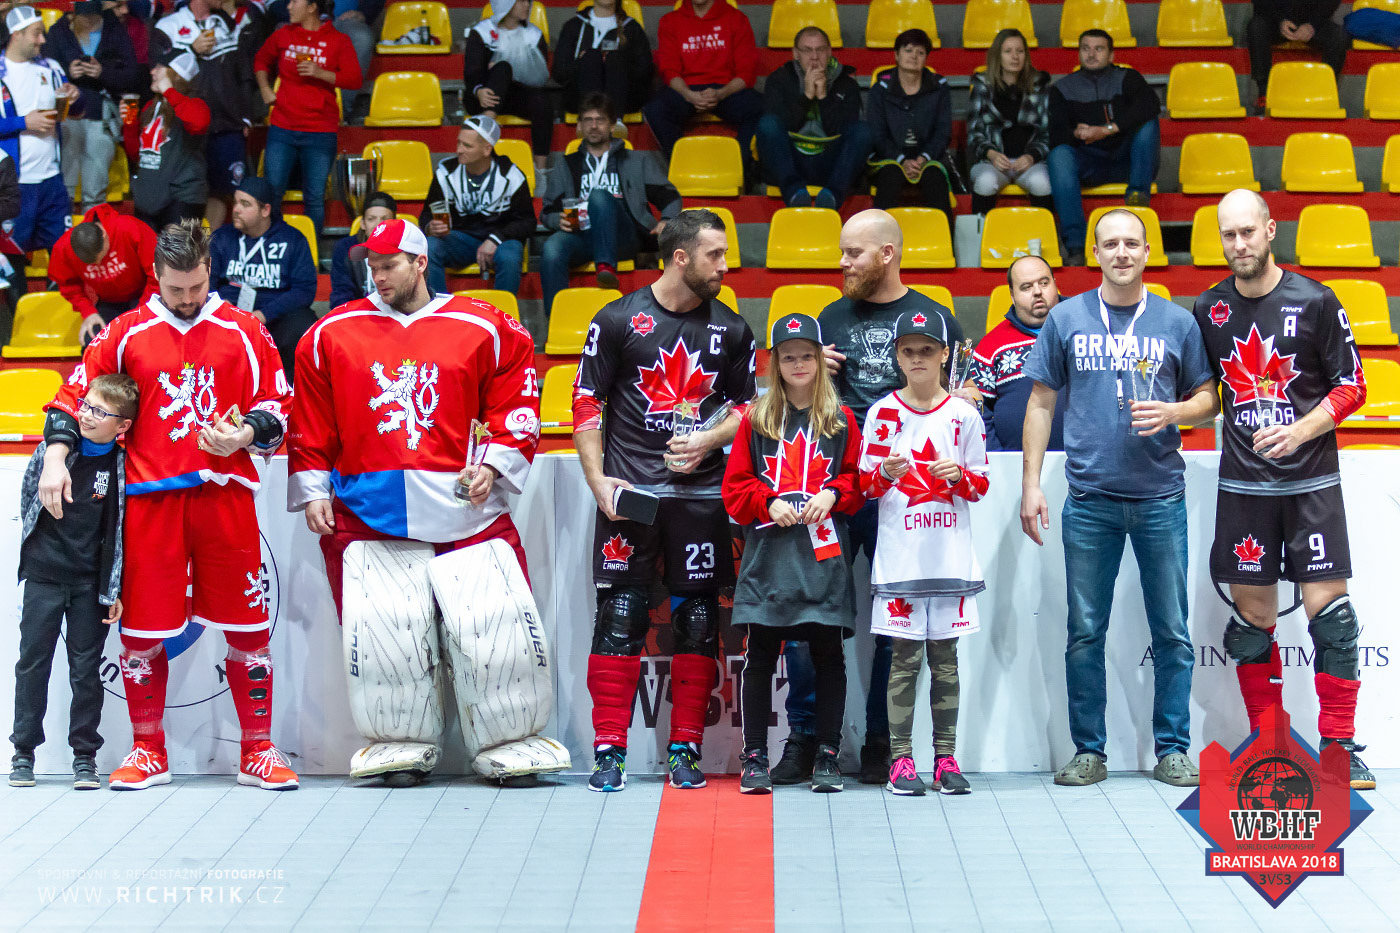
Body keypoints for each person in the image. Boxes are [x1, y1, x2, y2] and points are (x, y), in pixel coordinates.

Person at [288, 218, 569, 785]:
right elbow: (312, 419)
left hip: (466, 511)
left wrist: (494, 464)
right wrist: (313, 487)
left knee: (495, 631)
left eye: (390, 265)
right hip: (367, 510)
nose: (378, 275)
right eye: (372, 266)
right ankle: (401, 741)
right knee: (386, 638)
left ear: (421, 263)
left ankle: (509, 739)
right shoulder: (329, 333)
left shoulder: (486, 325)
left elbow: (515, 401)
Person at [38, 218, 297, 791]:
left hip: (225, 495)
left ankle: (258, 750)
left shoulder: (245, 331)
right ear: (155, 276)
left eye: (197, 286)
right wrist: (56, 456)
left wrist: (245, 434)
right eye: (176, 288)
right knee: (140, 632)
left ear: (210, 272)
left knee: (250, 626)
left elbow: (279, 404)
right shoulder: (125, 332)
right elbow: (73, 395)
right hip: (148, 500)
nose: (187, 298)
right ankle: (148, 749)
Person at [1020, 209, 1218, 788]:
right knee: (1085, 632)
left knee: (1172, 630)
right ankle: (1089, 750)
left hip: (1160, 497)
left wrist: (1177, 411)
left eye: (1132, 243)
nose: (1122, 253)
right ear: (1096, 253)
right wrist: (1031, 484)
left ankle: (1173, 749)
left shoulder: (1177, 322)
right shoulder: (1066, 318)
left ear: (1148, 251)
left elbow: (1210, 398)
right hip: (1090, 499)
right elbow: (1040, 403)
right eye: (1111, 244)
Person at [776, 209, 970, 788]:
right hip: (834, 485)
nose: (842, 263)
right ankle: (806, 737)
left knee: (899, 621)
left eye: (853, 253)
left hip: (902, 493)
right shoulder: (829, 318)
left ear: (887, 253)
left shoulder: (937, 317)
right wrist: (818, 373)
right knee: (813, 610)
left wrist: (967, 397)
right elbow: (794, 397)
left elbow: (964, 393)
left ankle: (886, 742)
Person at [572, 209, 756, 792]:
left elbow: (750, 408)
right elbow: (586, 401)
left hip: (701, 496)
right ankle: (608, 751)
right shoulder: (617, 318)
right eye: (714, 255)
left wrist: (709, 439)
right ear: (681, 258)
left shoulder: (732, 328)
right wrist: (598, 481)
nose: (725, 266)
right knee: (620, 614)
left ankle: (686, 750)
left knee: (699, 619)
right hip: (630, 495)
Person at [1196, 189, 1375, 790]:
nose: (1239, 244)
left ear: (1270, 230)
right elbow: (1205, 395)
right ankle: (1268, 746)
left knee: (1334, 620)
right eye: (1229, 235)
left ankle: (1339, 748)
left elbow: (1354, 386)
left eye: (1248, 231)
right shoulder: (1209, 308)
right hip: (1244, 489)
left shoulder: (1316, 300)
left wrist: (1300, 431)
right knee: (1251, 625)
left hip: (1311, 485)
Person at [722, 313, 862, 794]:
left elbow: (856, 481)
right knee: (760, 656)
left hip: (823, 559)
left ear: (820, 360)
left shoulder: (841, 420)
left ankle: (827, 756)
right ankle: (755, 758)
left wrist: (834, 494)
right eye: (788, 357)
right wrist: (767, 502)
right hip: (769, 557)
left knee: (828, 656)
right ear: (775, 363)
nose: (798, 364)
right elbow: (735, 488)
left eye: (806, 356)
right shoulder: (756, 420)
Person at [860, 310, 988, 797]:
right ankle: (900, 760)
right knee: (904, 659)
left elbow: (981, 486)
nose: (918, 359)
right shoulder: (881, 413)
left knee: (946, 660)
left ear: (944, 355)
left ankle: (946, 759)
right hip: (902, 559)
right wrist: (885, 474)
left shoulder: (964, 415)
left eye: (927, 350)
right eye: (909, 351)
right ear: (897, 356)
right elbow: (865, 487)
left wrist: (960, 476)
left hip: (949, 558)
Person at [9, 373, 135, 791]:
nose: (87, 415)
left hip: (89, 586)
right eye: (86, 405)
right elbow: (28, 501)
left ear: (123, 426)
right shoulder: (55, 452)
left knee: (86, 672)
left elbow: (118, 530)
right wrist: (32, 560)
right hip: (44, 577)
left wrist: (113, 587)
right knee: (32, 665)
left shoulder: (120, 466)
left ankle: (85, 757)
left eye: (100, 412)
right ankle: (23, 752)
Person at [539, 93, 682, 313]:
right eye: (588, 120)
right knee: (552, 248)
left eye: (600, 120)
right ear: (579, 126)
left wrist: (667, 220)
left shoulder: (636, 160)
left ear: (613, 125)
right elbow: (547, 210)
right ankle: (556, 318)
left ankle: (605, 266)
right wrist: (556, 220)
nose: (594, 126)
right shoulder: (566, 164)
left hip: (623, 236)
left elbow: (669, 195)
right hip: (582, 234)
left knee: (599, 196)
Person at [152, 0, 270, 230]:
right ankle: (185, 244)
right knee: (187, 189)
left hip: (227, 123)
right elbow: (156, 69)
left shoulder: (228, 23)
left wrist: (245, 115)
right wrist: (191, 49)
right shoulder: (168, 25)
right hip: (184, 125)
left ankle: (207, 244)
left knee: (224, 191)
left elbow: (244, 71)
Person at [1047, 30, 1161, 265]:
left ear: (1111, 55)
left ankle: (1137, 199)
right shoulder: (1063, 88)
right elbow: (1055, 132)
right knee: (1059, 155)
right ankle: (1076, 246)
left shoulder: (1127, 77)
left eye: (1098, 49)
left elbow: (1151, 104)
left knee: (1149, 124)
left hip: (1128, 161)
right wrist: (1077, 133)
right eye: (1085, 48)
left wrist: (1108, 129)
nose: (1091, 54)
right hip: (1089, 161)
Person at [254, 0, 360, 236]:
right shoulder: (283, 34)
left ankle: (309, 250)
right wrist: (265, 88)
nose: (288, 6)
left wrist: (321, 73)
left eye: (295, 1)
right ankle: (274, 245)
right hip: (283, 126)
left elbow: (354, 79)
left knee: (314, 197)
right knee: (272, 192)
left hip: (320, 130)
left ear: (312, 7)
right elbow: (260, 60)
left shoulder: (338, 40)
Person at [209, 176, 317, 380]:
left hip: (275, 316)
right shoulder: (222, 237)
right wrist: (219, 303)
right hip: (229, 314)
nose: (236, 209)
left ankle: (290, 389)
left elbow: (304, 290)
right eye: (235, 202)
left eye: (245, 204)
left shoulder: (292, 239)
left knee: (303, 324)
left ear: (265, 210)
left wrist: (263, 314)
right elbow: (206, 281)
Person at [754, 26, 870, 210]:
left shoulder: (847, 84)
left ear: (829, 52)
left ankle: (832, 196)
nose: (815, 57)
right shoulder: (779, 80)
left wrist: (823, 98)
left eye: (820, 50)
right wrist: (807, 97)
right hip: (791, 160)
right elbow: (779, 128)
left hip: (829, 161)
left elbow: (840, 131)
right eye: (807, 50)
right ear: (795, 53)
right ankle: (794, 193)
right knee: (767, 124)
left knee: (863, 131)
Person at [420, 115, 533, 297]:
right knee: (431, 245)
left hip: (500, 241)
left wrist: (495, 239)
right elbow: (426, 214)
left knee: (510, 255)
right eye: (459, 143)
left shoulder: (511, 176)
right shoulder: (446, 173)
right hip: (461, 240)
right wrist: (429, 226)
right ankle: (438, 307)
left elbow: (527, 222)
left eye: (467, 146)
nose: (459, 150)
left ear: (487, 149)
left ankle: (503, 312)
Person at [0, 6, 81, 255]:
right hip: (15, 186)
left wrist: (76, 97)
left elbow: (76, 111)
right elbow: (22, 122)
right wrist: (23, 122)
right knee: (13, 256)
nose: (43, 40)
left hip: (52, 181)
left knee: (63, 254)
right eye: (36, 33)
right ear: (16, 34)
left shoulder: (51, 67)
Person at [47, 0, 141, 212]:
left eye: (94, 18)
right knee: (65, 185)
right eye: (85, 18)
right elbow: (44, 70)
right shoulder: (59, 31)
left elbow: (132, 76)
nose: (90, 22)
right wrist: (67, 72)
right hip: (68, 113)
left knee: (96, 187)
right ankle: (65, 226)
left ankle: (92, 228)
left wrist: (102, 73)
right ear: (75, 15)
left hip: (102, 113)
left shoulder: (115, 31)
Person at [644, 0, 762, 165]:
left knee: (764, 108)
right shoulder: (670, 21)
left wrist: (721, 93)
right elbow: (669, 70)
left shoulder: (736, 18)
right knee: (656, 109)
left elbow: (746, 72)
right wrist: (688, 94)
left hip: (726, 88)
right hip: (687, 88)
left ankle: (737, 165)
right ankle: (684, 165)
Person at [969, 255, 1067, 451]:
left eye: (1044, 283)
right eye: (1026, 287)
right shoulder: (991, 345)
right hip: (1012, 464)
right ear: (1012, 295)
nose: (1038, 291)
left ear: (1055, 284)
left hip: (1087, 463)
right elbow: (977, 410)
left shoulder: (1083, 330)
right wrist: (997, 457)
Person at [865, 29, 952, 218]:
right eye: (908, 50)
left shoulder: (939, 87)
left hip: (928, 157)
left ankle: (944, 235)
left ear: (926, 58)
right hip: (889, 157)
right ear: (896, 55)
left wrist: (923, 158)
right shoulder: (880, 89)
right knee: (890, 176)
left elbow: (942, 132)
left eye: (920, 52)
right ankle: (880, 235)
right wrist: (901, 160)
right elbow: (877, 135)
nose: (914, 56)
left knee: (935, 178)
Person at [966, 28, 1051, 215]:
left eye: (1020, 51)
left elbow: (1048, 132)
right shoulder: (982, 85)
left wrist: (1031, 157)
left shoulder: (1040, 84)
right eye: (1008, 51)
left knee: (1042, 183)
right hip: (991, 162)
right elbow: (973, 133)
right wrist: (992, 154)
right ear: (998, 55)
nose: (1015, 57)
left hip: (1031, 163)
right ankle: (982, 231)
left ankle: (1044, 231)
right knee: (986, 182)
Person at [48, 202, 158, 345]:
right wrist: (89, 312)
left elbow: (158, 274)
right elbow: (68, 286)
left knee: (141, 340)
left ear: (105, 236)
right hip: (109, 302)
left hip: (145, 296)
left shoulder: (130, 228)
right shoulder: (63, 248)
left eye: (101, 258)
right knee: (93, 342)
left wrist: (142, 310)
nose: (99, 265)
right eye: (92, 263)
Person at [123, 49, 209, 231]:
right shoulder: (151, 106)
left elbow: (199, 122)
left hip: (181, 198)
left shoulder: (195, 103)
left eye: (160, 67)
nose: (152, 71)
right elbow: (137, 155)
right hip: (148, 196)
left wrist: (170, 91)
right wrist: (129, 125)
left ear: (177, 74)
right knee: (146, 251)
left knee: (176, 251)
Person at [463, 0, 551, 172]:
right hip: (483, 97)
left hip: (515, 95)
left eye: (527, 1)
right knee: (503, 68)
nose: (527, 6)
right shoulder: (483, 32)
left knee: (543, 103)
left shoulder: (533, 35)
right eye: (520, 1)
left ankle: (541, 170)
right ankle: (485, 129)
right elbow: (472, 72)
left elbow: (537, 76)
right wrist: (479, 90)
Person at [552, 0, 652, 130]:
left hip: (624, 99)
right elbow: (559, 72)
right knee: (591, 57)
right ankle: (588, 118)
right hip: (579, 98)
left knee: (615, 58)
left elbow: (645, 72)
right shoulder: (573, 26)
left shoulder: (632, 28)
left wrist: (619, 65)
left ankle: (615, 121)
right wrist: (582, 62)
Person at [1247, 0, 1345, 111]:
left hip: (1312, 23)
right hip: (1274, 21)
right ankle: (1263, 93)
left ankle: (1325, 93)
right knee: (1256, 26)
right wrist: (1280, 21)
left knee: (1339, 35)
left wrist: (1312, 25)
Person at [328, 189, 395, 308]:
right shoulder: (345, 248)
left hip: (397, 311)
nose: (378, 225)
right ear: (363, 223)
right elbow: (341, 294)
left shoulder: (406, 247)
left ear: (395, 224)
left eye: (385, 219)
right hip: (358, 312)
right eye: (371, 219)